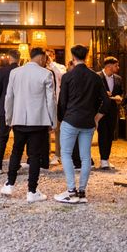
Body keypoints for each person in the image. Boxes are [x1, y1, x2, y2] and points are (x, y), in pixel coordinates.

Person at [54, 45, 111, 204]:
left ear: (73, 57)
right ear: (87, 56)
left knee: (65, 154)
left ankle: (71, 190)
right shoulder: (96, 77)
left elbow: (62, 102)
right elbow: (106, 101)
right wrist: (97, 118)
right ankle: (82, 192)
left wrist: (61, 118)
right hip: (88, 122)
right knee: (86, 157)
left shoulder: (67, 77)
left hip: (70, 119)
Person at [0, 47, 55, 203]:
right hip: (38, 121)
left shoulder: (15, 73)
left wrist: (9, 118)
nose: (45, 61)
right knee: (34, 156)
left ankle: (9, 184)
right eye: (45, 59)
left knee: (16, 151)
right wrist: (52, 121)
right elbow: (51, 100)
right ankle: (32, 191)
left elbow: (8, 97)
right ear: (41, 58)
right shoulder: (45, 74)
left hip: (18, 119)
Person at [96, 56, 123, 170]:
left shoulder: (118, 78)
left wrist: (119, 98)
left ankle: (106, 158)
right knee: (102, 134)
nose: (118, 67)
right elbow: (92, 93)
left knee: (110, 135)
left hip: (112, 110)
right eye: (116, 65)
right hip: (100, 110)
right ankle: (103, 160)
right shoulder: (97, 76)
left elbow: (120, 93)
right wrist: (102, 94)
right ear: (109, 66)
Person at [45, 49, 65, 165]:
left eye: (49, 55)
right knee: (45, 130)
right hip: (44, 104)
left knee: (58, 130)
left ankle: (58, 155)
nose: (47, 57)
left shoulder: (60, 67)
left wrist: (51, 63)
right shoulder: (41, 68)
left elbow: (62, 76)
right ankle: (45, 153)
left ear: (53, 56)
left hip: (57, 102)